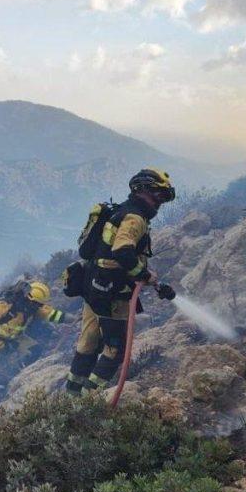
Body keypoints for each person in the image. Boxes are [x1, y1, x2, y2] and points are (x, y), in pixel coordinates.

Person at [65, 168, 176, 394]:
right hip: (112, 294)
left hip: (93, 287)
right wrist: (144, 276)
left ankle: (72, 396)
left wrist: (153, 282)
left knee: (88, 343)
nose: (159, 202)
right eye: (157, 195)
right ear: (141, 190)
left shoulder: (120, 211)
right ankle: (88, 401)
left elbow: (110, 254)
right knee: (116, 349)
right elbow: (123, 251)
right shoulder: (135, 218)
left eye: (164, 197)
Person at [0, 280, 73, 366]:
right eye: (38, 304)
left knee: (35, 350)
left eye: (40, 304)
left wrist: (70, 318)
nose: (39, 307)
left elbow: (50, 313)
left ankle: (20, 369)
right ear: (30, 299)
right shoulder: (5, 306)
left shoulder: (33, 308)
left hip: (14, 339)